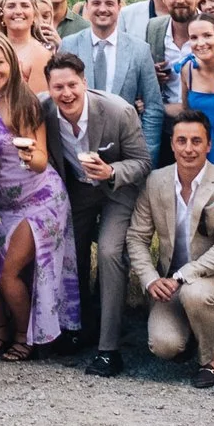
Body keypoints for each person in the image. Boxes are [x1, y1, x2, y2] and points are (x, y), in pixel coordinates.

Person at [0, 33, 77, 359]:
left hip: (40, 200)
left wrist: (30, 156)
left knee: (8, 274)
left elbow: (42, 159)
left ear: (11, 64)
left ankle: (25, 335)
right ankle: (1, 329)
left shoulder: (25, 102)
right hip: (2, 203)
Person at [45, 51, 148, 377]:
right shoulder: (44, 111)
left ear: (85, 83)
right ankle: (77, 326)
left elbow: (143, 162)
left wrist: (111, 170)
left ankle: (108, 348)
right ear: (48, 88)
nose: (66, 93)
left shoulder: (118, 111)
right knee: (65, 250)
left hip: (118, 189)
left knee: (108, 252)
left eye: (72, 85)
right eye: (58, 87)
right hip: (77, 189)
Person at [127, 115, 214, 388]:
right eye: (181, 141)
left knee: (195, 293)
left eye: (196, 141)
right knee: (164, 347)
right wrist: (150, 279)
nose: (188, 149)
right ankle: (194, 331)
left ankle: (209, 362)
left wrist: (182, 276)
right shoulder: (156, 181)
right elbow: (136, 237)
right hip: (168, 282)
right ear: (171, 144)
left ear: (208, 145)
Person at [71, 0, 164, 157]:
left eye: (109, 3)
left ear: (119, 8)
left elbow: (153, 107)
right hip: (79, 151)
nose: (102, 9)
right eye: (96, 3)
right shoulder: (69, 45)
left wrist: (146, 156)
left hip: (125, 152)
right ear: (87, 6)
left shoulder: (139, 50)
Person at [169, 15, 214, 154]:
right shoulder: (187, 69)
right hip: (199, 147)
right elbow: (186, 111)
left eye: (207, 35)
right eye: (194, 38)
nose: (201, 43)